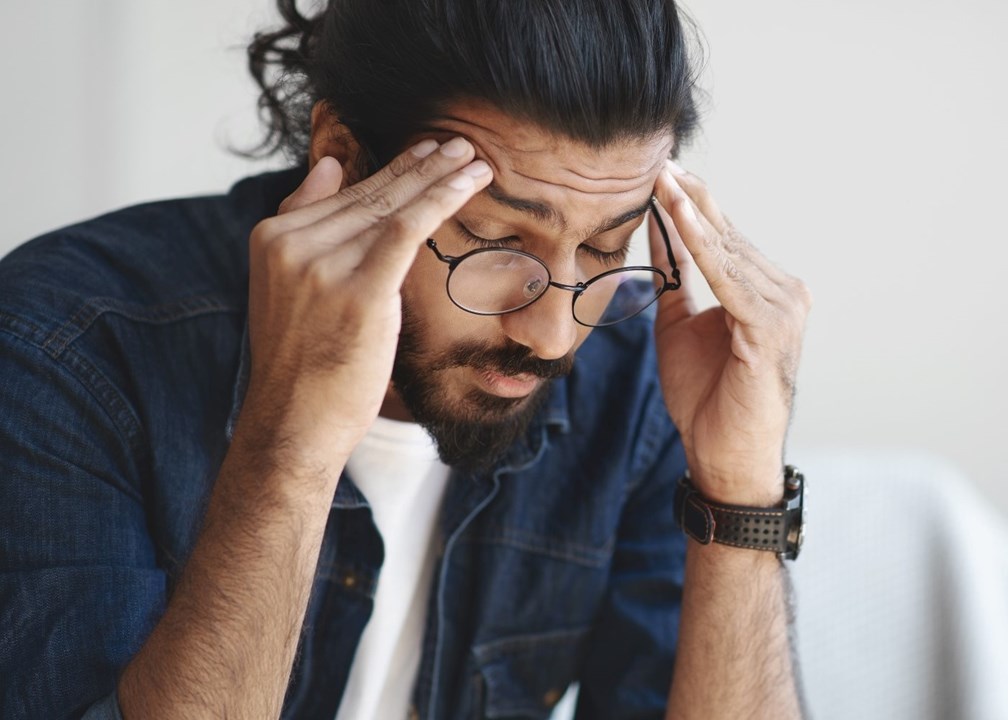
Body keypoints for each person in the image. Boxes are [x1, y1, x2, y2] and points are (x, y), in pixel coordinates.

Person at [0, 1, 811, 718]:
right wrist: (291, 446)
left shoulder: (635, 387)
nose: (554, 334)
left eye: (606, 246)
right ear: (344, 156)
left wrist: (739, 491)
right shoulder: (65, 349)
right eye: (495, 238)